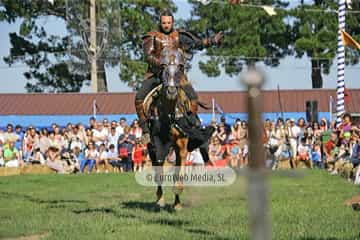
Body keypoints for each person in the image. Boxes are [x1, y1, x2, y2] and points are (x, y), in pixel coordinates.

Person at [135, 9, 223, 143]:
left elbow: (197, 43)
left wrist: (212, 41)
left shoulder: (179, 35)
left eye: (168, 22)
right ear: (160, 22)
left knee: (193, 97)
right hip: (156, 74)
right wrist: (162, 64)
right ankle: (146, 131)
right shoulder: (152, 36)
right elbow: (148, 55)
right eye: (164, 22)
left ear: (172, 22)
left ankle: (192, 121)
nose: (166, 25)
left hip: (176, 75)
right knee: (139, 98)